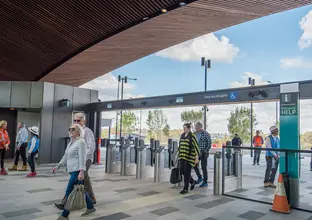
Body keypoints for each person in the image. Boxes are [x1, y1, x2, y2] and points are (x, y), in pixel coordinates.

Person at [54, 113, 96, 210]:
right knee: (83, 181)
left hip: (85, 160)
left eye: (79, 121)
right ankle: (91, 200)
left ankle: (64, 203)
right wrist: (59, 164)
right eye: (75, 120)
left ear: (83, 121)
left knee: (75, 181)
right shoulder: (74, 131)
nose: (76, 122)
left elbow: (91, 147)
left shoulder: (87, 131)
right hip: (79, 160)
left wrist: (82, 157)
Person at [178, 123, 200, 194]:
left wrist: (196, 157)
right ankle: (192, 181)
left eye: (185, 127)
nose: (184, 129)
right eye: (183, 127)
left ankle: (185, 189)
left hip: (189, 158)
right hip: (182, 157)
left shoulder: (192, 136)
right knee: (182, 171)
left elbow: (196, 147)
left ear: (188, 128)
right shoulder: (182, 135)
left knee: (187, 173)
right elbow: (180, 145)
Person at [194, 122, 212, 187]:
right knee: (195, 166)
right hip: (196, 153)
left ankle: (205, 182)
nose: (195, 128)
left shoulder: (205, 134)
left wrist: (206, 150)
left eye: (196, 127)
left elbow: (209, 143)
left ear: (199, 127)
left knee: (203, 167)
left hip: (203, 153)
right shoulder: (194, 134)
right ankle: (199, 178)